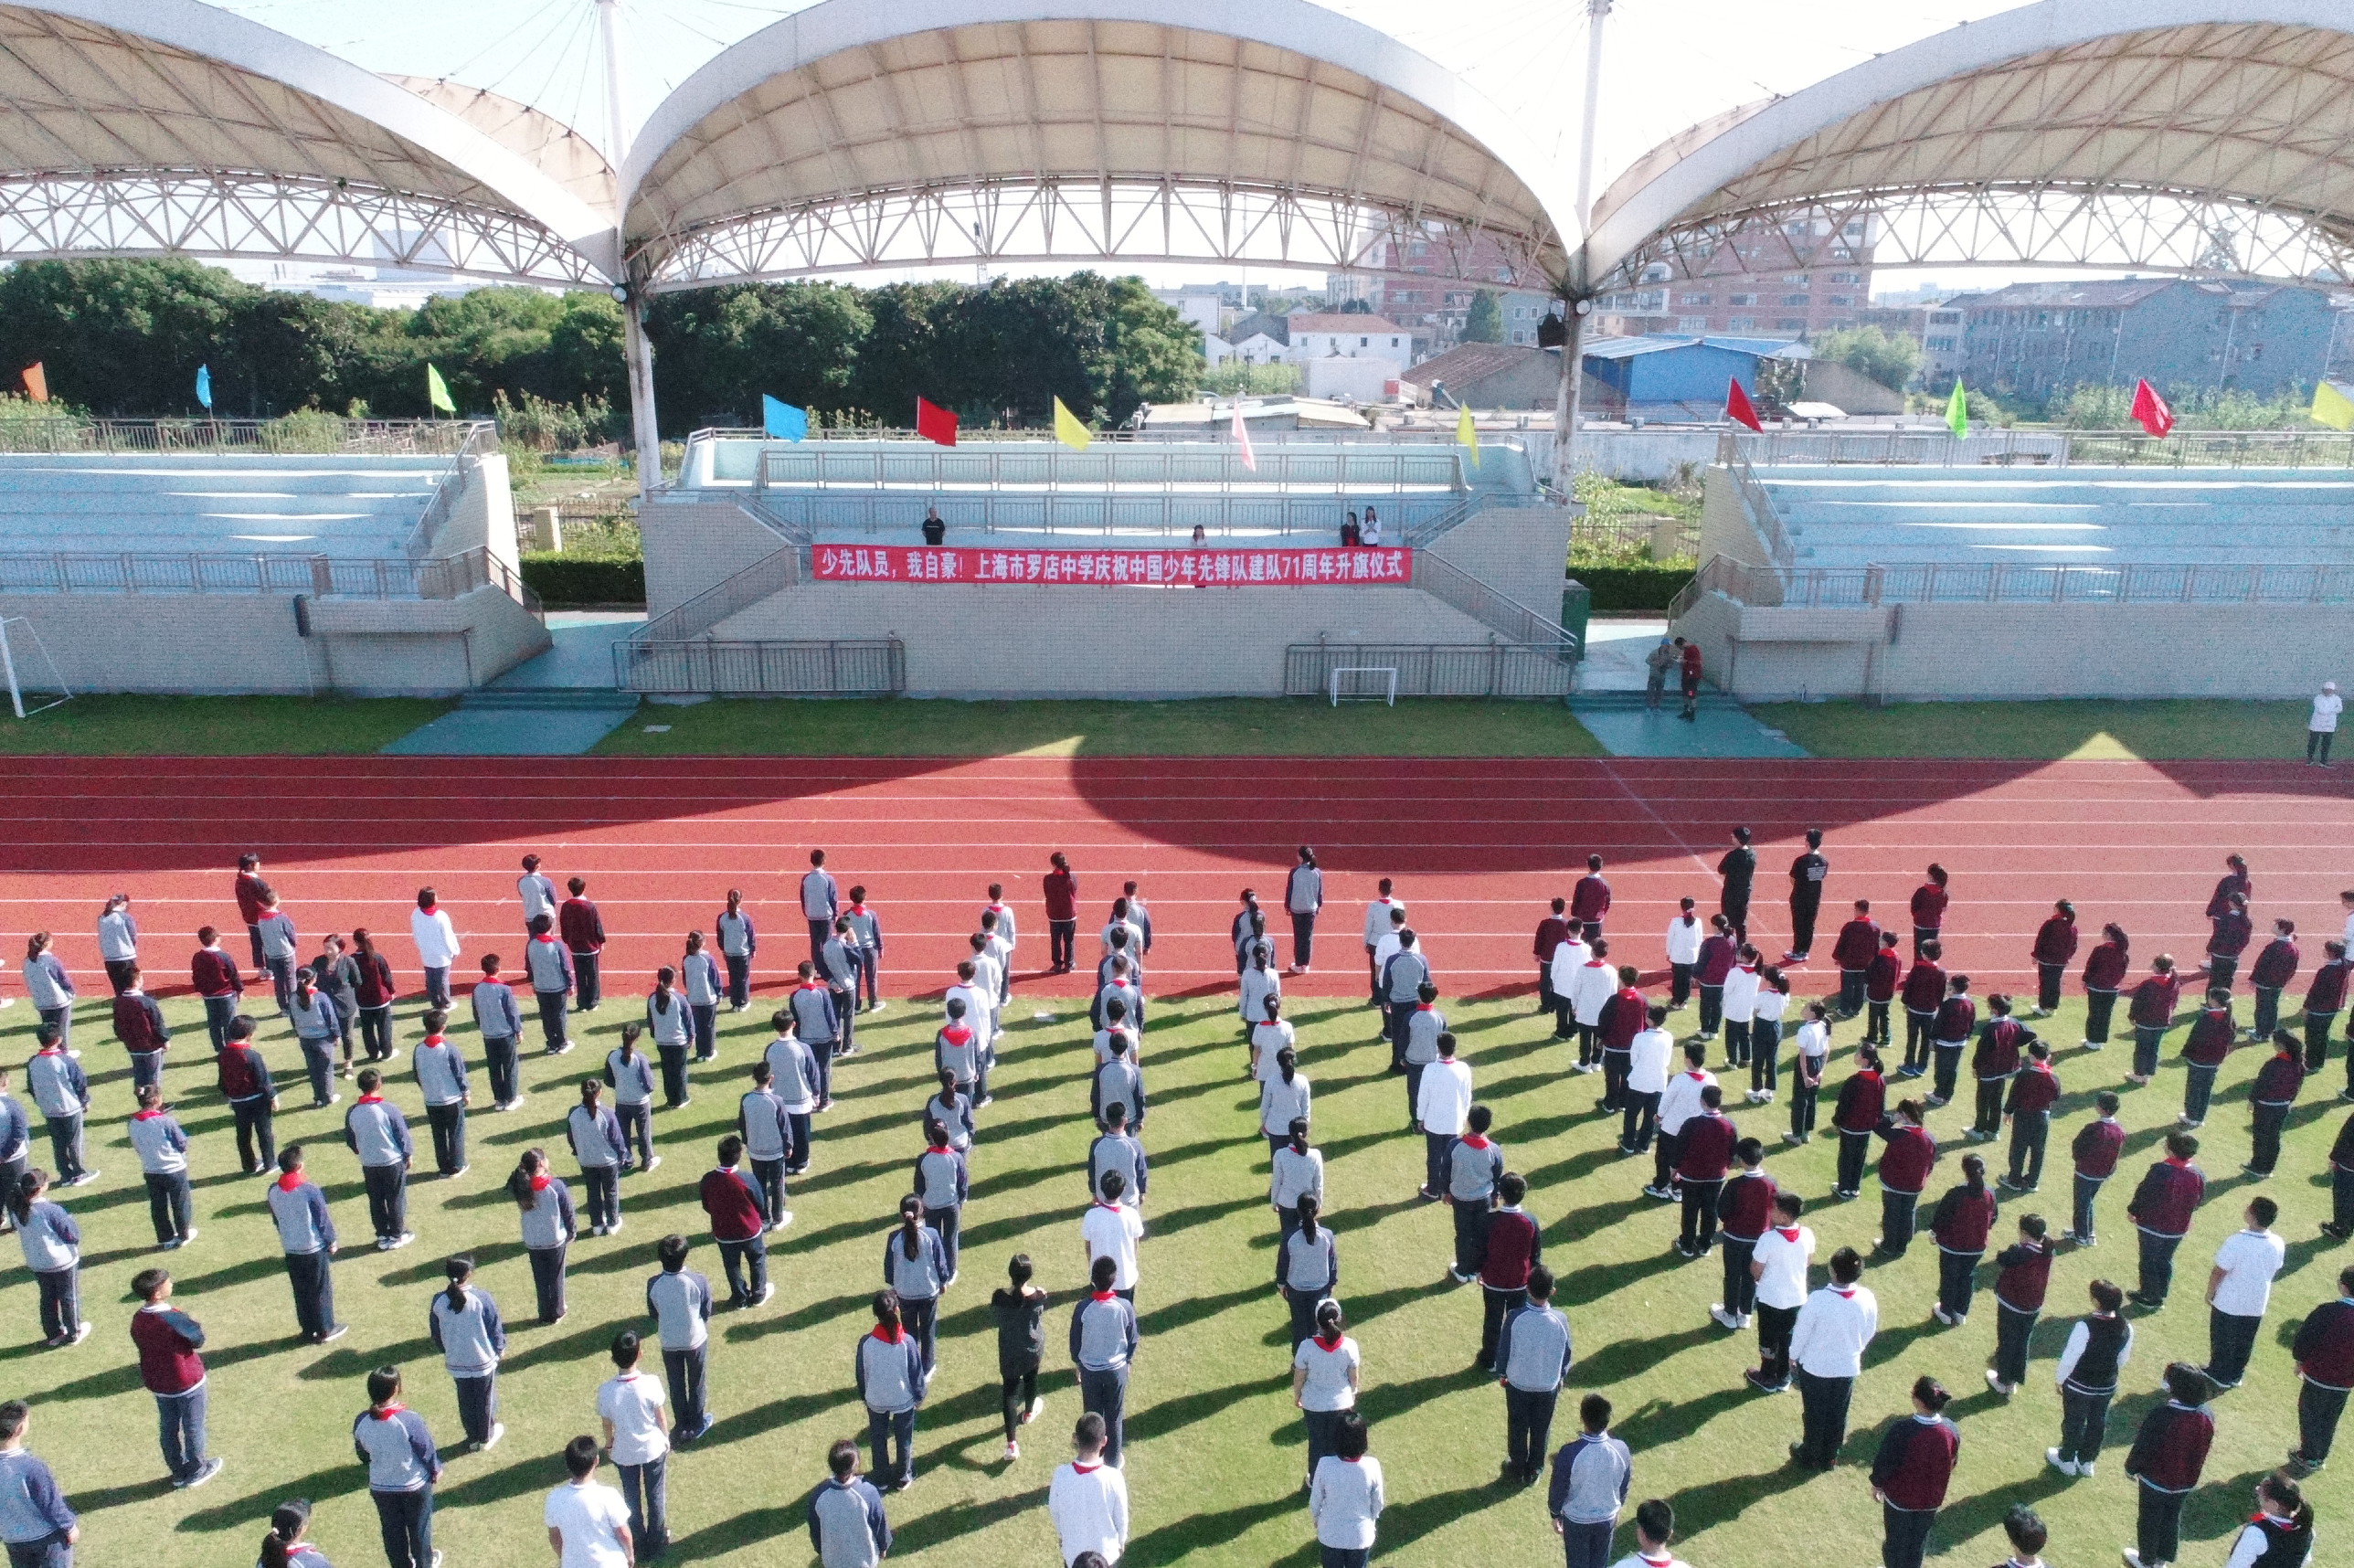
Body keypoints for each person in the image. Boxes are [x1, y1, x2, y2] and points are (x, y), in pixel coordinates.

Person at [127, 1267, 220, 1489]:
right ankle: (197, 1470)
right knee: (193, 1426)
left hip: (158, 1382)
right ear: (157, 1293)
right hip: (186, 1381)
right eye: (167, 1282)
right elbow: (198, 1339)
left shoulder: (138, 1318)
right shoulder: (172, 1317)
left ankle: (177, 1472)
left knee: (168, 1428)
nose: (171, 1284)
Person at [1789, 1245, 1877, 1470]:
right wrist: (1855, 1350)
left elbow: (1801, 1333)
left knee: (1815, 1413)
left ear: (1833, 1271)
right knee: (1838, 1413)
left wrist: (1793, 1356)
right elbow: (1869, 1331)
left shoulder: (1818, 1299)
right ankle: (1830, 1456)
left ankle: (1810, 1454)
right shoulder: (1867, 1298)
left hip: (1816, 1369)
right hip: (1847, 1367)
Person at [2122, 1362, 2215, 1568]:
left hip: (2155, 1480)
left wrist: (2130, 1468)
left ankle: (2146, 1561)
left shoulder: (2162, 1414)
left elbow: (2143, 1446)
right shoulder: (2207, 1415)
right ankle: (2162, 1559)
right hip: (2186, 1481)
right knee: (2171, 1519)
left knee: (2149, 1520)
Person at [352, 1365, 439, 1568]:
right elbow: (425, 1449)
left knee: (392, 1532)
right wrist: (435, 1468)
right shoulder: (409, 1419)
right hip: (414, 1485)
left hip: (381, 1487)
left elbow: (363, 1454)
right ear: (396, 1389)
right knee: (419, 1530)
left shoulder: (361, 1421)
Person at [1870, 1375, 1959, 1568]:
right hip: (1931, 1501)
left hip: (1900, 1500)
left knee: (1895, 1544)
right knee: (1917, 1543)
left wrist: (1877, 1484)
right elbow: (1952, 1462)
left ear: (1918, 1400)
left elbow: (1886, 1462)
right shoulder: (1951, 1429)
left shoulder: (1902, 1430)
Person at [2048, 1278, 2133, 1477]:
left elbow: (2071, 1357)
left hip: (2079, 1385)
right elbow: (2123, 1359)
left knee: (2074, 1423)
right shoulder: (2126, 1327)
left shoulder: (2085, 1326)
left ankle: (2066, 1459)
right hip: (2106, 1386)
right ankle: (2087, 1461)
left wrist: (2060, 1379)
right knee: (2097, 1423)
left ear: (2096, 1301)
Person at [1495, 1265, 1572, 1486]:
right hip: (1547, 1386)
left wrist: (1502, 1373)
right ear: (1552, 1291)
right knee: (1541, 1427)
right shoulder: (1560, 1320)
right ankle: (1535, 1468)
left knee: (1517, 1425)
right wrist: (1561, 1375)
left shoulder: (1515, 1317)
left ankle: (1516, 1464)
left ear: (1527, 1289)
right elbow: (1566, 1353)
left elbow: (1504, 1349)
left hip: (1518, 1384)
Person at [596, 1331, 667, 1556]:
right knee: (655, 1496)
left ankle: (637, 1541)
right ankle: (657, 1541)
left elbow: (607, 1424)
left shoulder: (606, 1391)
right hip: (653, 1449)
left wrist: (609, 1444)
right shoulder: (651, 1383)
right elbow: (660, 1417)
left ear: (613, 1358)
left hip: (624, 1453)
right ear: (639, 1355)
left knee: (631, 1499)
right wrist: (665, 1438)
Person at [2205, 1196, 2286, 1389]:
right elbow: (2275, 1268)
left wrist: (2210, 1292)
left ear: (2252, 1215)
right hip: (2256, 1302)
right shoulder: (2277, 1242)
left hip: (2229, 1301)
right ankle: (2236, 1374)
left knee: (2222, 1339)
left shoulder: (2237, 1241)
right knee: (2245, 1340)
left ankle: (2219, 1375)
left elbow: (2219, 1271)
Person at [426, 1256, 504, 1453]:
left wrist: (447, 1350)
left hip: (456, 1360)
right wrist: (500, 1347)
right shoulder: (482, 1298)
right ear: (468, 1274)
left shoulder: (438, 1301)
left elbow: (436, 1333)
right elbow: (494, 1327)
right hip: (482, 1360)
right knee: (485, 1399)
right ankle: (485, 1436)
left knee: (466, 1400)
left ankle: (472, 1437)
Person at [267, 1147, 344, 1344]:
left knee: (301, 1291)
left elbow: (276, 1219)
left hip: (291, 1248)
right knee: (320, 1289)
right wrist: (331, 1240)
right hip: (313, 1247)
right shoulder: (309, 1190)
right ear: (300, 1166)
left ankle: (308, 1330)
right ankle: (326, 1328)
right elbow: (322, 1220)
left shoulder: (273, 1191)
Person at [1070, 1255, 1139, 1467]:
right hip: (1116, 1371)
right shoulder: (1125, 1306)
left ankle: (1092, 1459)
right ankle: (1113, 1462)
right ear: (1114, 1280)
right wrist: (1128, 1361)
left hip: (1090, 1371)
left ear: (1092, 1279)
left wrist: (1078, 1363)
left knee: (1092, 1418)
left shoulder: (1082, 1308)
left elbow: (1075, 1340)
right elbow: (1133, 1338)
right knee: (1114, 1417)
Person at [2126, 1130, 2206, 1309]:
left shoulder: (2160, 1170)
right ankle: (2161, 1292)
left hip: (2152, 1225)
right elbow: (2199, 1199)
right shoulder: (2197, 1173)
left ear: (2171, 1150)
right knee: (2165, 1259)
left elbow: (2144, 1193)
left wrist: (2133, 1211)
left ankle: (2149, 1296)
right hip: (2178, 1228)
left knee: (2148, 1260)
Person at [645, 1234, 713, 1442]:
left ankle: (682, 1425)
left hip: (669, 1341)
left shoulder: (653, 1283)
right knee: (696, 1382)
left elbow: (653, 1312)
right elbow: (706, 1310)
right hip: (695, 1340)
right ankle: (697, 1424)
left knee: (675, 1384)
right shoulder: (698, 1280)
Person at [2289, 1263, 2354, 1475]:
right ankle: (2319, 1455)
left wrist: (2299, 1361)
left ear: (2343, 1286)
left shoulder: (2327, 1311)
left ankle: (2309, 1456)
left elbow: (2305, 1338)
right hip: (2344, 1383)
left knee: (2309, 1415)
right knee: (2329, 1419)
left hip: (2318, 1376)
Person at [855, 1291, 925, 1491]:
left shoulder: (866, 1343)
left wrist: (865, 1395)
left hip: (875, 1399)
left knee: (878, 1439)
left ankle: (881, 1479)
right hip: (903, 1400)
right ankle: (903, 1476)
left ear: (875, 1313)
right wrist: (919, 1396)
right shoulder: (907, 1342)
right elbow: (916, 1373)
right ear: (896, 1310)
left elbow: (861, 1373)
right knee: (904, 1439)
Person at [1745, 1192, 1813, 1392]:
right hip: (1797, 1297)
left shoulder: (1768, 1239)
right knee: (1787, 1338)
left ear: (1784, 1216)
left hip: (1771, 1298)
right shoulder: (1807, 1234)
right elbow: (1808, 1261)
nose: (1770, 1211)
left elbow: (1755, 1269)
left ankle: (1767, 1376)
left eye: (1774, 1208)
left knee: (1768, 1338)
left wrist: (1763, 1279)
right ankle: (1784, 1376)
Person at [1476, 1173, 1542, 1371]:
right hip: (1520, 1282)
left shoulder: (1489, 1220)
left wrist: (1478, 1270)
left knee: (1492, 1321)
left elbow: (1480, 1250)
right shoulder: (1530, 1220)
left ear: (1501, 1194)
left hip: (1493, 1281)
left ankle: (1489, 1359)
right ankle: (1512, 1359)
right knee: (1516, 1322)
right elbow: (1535, 1254)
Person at [344, 1069, 413, 1252]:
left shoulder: (352, 1111)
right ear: (379, 1085)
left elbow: (350, 1138)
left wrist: (360, 1151)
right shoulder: (388, 1109)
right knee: (395, 1198)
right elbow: (402, 1135)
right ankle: (397, 1235)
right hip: (392, 1161)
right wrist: (408, 1154)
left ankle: (382, 1235)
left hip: (369, 1163)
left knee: (376, 1200)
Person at [700, 1136, 773, 1309]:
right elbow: (761, 1203)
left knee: (732, 1265)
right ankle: (758, 1294)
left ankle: (740, 1298)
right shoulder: (747, 1178)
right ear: (739, 1155)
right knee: (757, 1260)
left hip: (724, 1233)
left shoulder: (708, 1179)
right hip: (749, 1231)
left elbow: (707, 1205)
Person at [0, 1401, 76, 1567]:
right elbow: (50, 1503)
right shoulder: (31, 1467)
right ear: (20, 1428)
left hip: (13, 1540)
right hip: (48, 1539)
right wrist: (69, 1526)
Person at [1986, 1214, 2054, 1395]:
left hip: (2012, 1304)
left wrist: (2013, 1248)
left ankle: (2003, 1381)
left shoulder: (2021, 1252)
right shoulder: (2047, 1250)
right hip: (2033, 1306)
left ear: (2025, 1233)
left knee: (2007, 1342)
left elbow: (2002, 1258)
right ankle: (2013, 1380)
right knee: (2022, 1343)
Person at [1049, 1413, 1129, 1566]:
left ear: (1075, 1438)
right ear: (1104, 1441)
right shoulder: (1114, 1477)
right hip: (1106, 1557)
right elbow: (1121, 1515)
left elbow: (1055, 1510)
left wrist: (1061, 1535)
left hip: (1073, 1556)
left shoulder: (1060, 1475)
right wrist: (1121, 1540)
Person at [1294, 1298, 1360, 1483]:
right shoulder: (1350, 1346)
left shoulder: (1306, 1347)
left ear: (1317, 1321)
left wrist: (1297, 1396)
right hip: (1342, 1403)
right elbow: (1353, 1377)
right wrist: (1352, 1393)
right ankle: (1335, 1482)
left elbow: (1299, 1377)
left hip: (1313, 1404)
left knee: (1316, 1444)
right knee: (1337, 1445)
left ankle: (1315, 1481)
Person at [1711, 1137, 1775, 1327]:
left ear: (1741, 1160)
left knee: (1732, 1274)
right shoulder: (1771, 1184)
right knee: (1751, 1276)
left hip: (1734, 1238)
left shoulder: (1734, 1184)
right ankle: (1745, 1313)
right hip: (1759, 1239)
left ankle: (1730, 1313)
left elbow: (1722, 1211)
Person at [991, 1254, 1049, 1461]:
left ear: (1010, 1273)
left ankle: (1011, 1444)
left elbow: (995, 1316)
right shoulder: (1038, 1296)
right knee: (1031, 1379)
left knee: (1010, 1391)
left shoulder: (999, 1297)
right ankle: (1028, 1412)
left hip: (1009, 1351)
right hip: (1032, 1349)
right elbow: (1039, 1309)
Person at [1929, 1153, 1998, 1327]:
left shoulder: (1957, 1193)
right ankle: (1960, 1312)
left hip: (1952, 1245)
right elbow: (1994, 1217)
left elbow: (1942, 1217)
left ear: (1964, 1170)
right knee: (1967, 1277)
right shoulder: (1990, 1193)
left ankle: (1946, 1311)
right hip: (1976, 1247)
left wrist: (1934, 1232)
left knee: (1949, 1278)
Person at [546, 1433, 634, 1568]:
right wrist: (630, 1555)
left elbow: (555, 1537)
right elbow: (623, 1534)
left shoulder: (554, 1498)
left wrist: (565, 1558)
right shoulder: (608, 1495)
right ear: (596, 1461)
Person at [1309, 1413, 1383, 1568]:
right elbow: (1378, 1503)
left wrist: (1317, 1518)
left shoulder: (1324, 1464)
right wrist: (1371, 1520)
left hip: (1330, 1534)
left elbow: (1316, 1500)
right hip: (1360, 1536)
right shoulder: (1372, 1466)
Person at [509, 1149, 575, 1324]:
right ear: (541, 1163)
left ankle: (544, 1313)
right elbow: (568, 1211)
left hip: (532, 1240)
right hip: (554, 1240)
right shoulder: (556, 1186)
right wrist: (572, 1231)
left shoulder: (520, 1186)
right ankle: (558, 1311)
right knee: (556, 1277)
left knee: (541, 1278)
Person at [126, 1083, 194, 1249]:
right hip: (174, 1169)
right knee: (180, 1203)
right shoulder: (165, 1121)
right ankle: (183, 1234)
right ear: (156, 1099)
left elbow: (137, 1146)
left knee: (158, 1206)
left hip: (151, 1169)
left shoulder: (132, 1122)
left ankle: (165, 1238)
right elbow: (182, 1143)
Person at [807, 1436, 891, 1567]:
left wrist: (821, 1550)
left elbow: (815, 1529)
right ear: (855, 1465)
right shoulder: (868, 1493)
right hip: (864, 1561)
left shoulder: (818, 1495)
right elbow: (879, 1525)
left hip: (833, 1562)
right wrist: (883, 1546)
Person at [1649, 1042, 1715, 1202]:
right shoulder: (1711, 1079)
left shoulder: (1680, 1080)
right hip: (1695, 1130)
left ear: (1688, 1059)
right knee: (1685, 1159)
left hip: (1672, 1128)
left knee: (1663, 1158)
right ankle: (1678, 1189)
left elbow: (1666, 1100)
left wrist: (1659, 1115)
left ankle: (1661, 1186)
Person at [1674, 1087, 1736, 1258]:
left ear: (1702, 1101)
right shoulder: (1729, 1125)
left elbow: (1679, 1149)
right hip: (1716, 1177)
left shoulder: (1692, 1123)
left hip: (1691, 1177)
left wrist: (1674, 1169)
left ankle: (1686, 1244)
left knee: (1690, 1211)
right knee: (1710, 1211)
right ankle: (1704, 1244)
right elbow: (1733, 1151)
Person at [1873, 1098, 1936, 1258]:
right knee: (1908, 1213)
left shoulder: (1899, 1135)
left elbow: (1878, 1127)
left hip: (1894, 1183)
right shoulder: (1929, 1138)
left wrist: (1892, 1119)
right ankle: (1902, 1246)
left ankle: (1889, 1245)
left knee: (1891, 1214)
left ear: (1904, 1115)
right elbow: (1930, 1163)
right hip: (1915, 1184)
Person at [1446, 1106, 1502, 1283]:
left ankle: (1462, 1271)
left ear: (1469, 1122)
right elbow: (1497, 1175)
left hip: (1461, 1198)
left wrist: (1445, 1192)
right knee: (1480, 1234)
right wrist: (1495, 1196)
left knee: (1463, 1234)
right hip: (1483, 1199)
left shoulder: (1455, 1146)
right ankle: (1476, 1269)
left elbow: (1445, 1170)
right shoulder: (1494, 1150)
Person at [1415, 1033, 1473, 1200]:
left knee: (1434, 1158)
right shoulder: (1463, 1068)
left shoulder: (1430, 1069)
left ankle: (1433, 1190)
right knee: (1450, 1157)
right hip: (1454, 1122)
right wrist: (1465, 1115)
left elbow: (1423, 1096)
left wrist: (1420, 1118)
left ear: (1438, 1048)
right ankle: (1447, 1189)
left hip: (1433, 1122)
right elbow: (1467, 1096)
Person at [410, 1013, 468, 1180]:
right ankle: (457, 1165)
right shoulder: (449, 1048)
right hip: (452, 1098)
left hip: (431, 1100)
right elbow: (459, 1073)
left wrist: (426, 1089)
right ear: (443, 1027)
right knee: (455, 1132)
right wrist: (465, 1092)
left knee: (438, 1135)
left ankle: (443, 1168)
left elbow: (416, 1074)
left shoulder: (418, 1049)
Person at [1278, 1194, 1338, 1352]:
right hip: (1320, 1289)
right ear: (1317, 1210)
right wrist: (1332, 1282)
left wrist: (1281, 1283)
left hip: (1296, 1289)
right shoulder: (1327, 1235)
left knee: (1299, 1329)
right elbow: (1332, 1262)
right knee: (1317, 1330)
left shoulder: (1289, 1236)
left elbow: (1283, 1261)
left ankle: (1298, 1363)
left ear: (1298, 1210)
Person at [567, 1080, 625, 1237]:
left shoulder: (573, 1113)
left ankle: (597, 1225)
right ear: (599, 1092)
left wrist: (578, 1151)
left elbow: (571, 1137)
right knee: (611, 1191)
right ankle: (613, 1222)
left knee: (592, 1192)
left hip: (586, 1160)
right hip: (608, 1161)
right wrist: (622, 1155)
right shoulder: (607, 1113)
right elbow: (616, 1139)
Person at [2001, 1041, 2061, 1191]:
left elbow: (2014, 1095)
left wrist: (2008, 1111)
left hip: (2023, 1115)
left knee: (2018, 1149)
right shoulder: (2053, 1077)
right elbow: (2056, 1096)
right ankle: (2033, 1182)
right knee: (2038, 1151)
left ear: (2031, 1056)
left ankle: (2014, 1180)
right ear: (2048, 1056)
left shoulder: (2024, 1075)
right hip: (2042, 1117)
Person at [912, 1123, 968, 1281]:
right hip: (951, 1205)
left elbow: (919, 1185)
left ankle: (936, 1270)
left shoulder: (923, 1159)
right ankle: (950, 1272)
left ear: (932, 1139)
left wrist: (922, 1202)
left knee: (933, 1240)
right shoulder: (956, 1157)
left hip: (930, 1206)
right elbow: (963, 1182)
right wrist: (962, 1200)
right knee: (950, 1240)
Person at [2222, 1473, 2317, 1568]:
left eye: (2261, 1491)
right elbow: (2304, 1561)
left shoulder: (2255, 1533)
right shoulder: (2308, 1531)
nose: (2257, 1490)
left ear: (2274, 1505)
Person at [2069, 1090, 2126, 1245]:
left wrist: (2078, 1160)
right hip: (2103, 1173)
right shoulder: (2119, 1130)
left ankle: (2082, 1236)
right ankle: (2089, 1233)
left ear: (2101, 1107)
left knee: (2082, 1204)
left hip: (2086, 1172)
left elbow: (2078, 1146)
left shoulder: (2094, 1128)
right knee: (2088, 1201)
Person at [469, 956, 524, 1113]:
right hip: (505, 1034)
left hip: (488, 1034)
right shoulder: (504, 989)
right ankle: (511, 1098)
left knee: (494, 1067)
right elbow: (511, 1013)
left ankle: (499, 1100)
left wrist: (483, 1026)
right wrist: (518, 1030)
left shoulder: (477, 989)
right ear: (498, 969)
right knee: (509, 1066)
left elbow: (476, 1011)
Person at [1829, 1046, 1886, 1199]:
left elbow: (1843, 1105)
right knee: (1859, 1158)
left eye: (1858, 1054)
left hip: (1850, 1126)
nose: (1855, 1055)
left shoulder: (1855, 1081)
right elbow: (1881, 1107)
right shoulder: (1880, 1080)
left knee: (1846, 1158)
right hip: (1866, 1127)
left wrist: (1836, 1122)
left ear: (1865, 1060)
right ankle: (1854, 1188)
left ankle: (1844, 1188)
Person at [1967, 993, 2023, 1140]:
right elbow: (2029, 1034)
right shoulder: (2013, 1023)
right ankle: (1993, 1130)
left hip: (1988, 1071)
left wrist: (1975, 1066)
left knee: (1982, 1101)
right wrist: (2013, 1046)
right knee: (1996, 1100)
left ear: (1995, 1010)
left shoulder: (1990, 1028)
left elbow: (1981, 1051)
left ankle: (1979, 1130)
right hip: (2003, 1070)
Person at [2248, 1032, 2306, 1177]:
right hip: (2282, 1106)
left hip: (2265, 1106)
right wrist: (2289, 1101)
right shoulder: (2298, 1064)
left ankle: (2258, 1166)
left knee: (2261, 1137)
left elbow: (2261, 1084)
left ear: (2281, 1046)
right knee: (2273, 1137)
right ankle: (2268, 1167)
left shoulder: (2274, 1064)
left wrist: (2252, 1100)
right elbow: (2297, 1086)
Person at [1083, 1172, 1146, 1302]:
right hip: (1125, 1278)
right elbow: (1135, 1244)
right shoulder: (1132, 1214)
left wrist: (1092, 1265)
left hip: (1099, 1278)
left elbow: (1088, 1247)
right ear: (1123, 1189)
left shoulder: (1091, 1215)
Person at [604, 1024, 657, 1176]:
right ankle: (647, 1160)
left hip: (621, 1101)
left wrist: (621, 1086)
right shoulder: (640, 1058)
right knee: (644, 1133)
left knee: (622, 1133)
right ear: (637, 1038)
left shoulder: (612, 1055)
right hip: (640, 1102)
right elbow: (649, 1085)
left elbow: (608, 1080)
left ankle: (625, 1161)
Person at [284, 968, 340, 1109]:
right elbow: (331, 1018)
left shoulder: (293, 998)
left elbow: (293, 1018)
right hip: (323, 1038)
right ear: (314, 979)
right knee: (326, 1069)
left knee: (313, 1069)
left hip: (305, 1038)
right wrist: (336, 1035)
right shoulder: (321, 997)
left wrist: (298, 1031)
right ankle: (328, 1097)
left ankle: (318, 1098)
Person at [110, 967, 170, 1097]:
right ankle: (154, 1103)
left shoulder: (118, 1002)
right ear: (136, 981)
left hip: (132, 1046)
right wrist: (164, 1040)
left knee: (139, 1074)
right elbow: (157, 1024)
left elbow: (117, 1026)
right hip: (151, 1046)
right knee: (154, 1078)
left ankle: (141, 1097)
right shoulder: (147, 1002)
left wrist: (125, 1039)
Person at [1624, 1004, 1674, 1155]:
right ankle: (1644, 1145)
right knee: (1650, 1116)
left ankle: (1628, 1144)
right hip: (1658, 1082)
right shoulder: (1668, 1037)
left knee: (1631, 1115)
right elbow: (1666, 1061)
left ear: (1650, 1020)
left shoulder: (1640, 1038)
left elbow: (1633, 1061)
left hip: (1639, 1082)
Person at [2126, 955, 2183, 1086]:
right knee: (2154, 1048)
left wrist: (2132, 1016)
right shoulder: (2173, 983)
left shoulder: (2149, 984)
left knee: (2142, 1049)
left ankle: (2139, 1075)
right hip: (2162, 1022)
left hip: (2145, 1022)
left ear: (2157, 967)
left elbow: (2137, 1002)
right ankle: (2147, 1074)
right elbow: (2174, 1002)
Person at [525, 916, 578, 1058]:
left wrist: (533, 982)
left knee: (546, 1016)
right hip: (557, 986)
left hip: (540, 987)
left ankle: (552, 1043)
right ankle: (562, 1043)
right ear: (550, 927)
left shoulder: (531, 944)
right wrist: (570, 984)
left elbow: (529, 966)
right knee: (559, 1015)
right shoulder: (556, 945)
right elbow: (565, 967)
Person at [19, 935, 75, 1061]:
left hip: (41, 1001)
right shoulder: (51, 961)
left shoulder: (27, 962)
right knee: (62, 1027)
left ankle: (50, 1050)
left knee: (48, 1027)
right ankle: (64, 1052)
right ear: (46, 944)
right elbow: (63, 978)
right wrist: (71, 991)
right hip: (58, 1000)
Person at [1272, 1118, 1324, 1249]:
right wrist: (1318, 1203)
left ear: (1290, 1133)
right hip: (1308, 1204)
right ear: (1306, 1133)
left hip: (1286, 1203)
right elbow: (1318, 1184)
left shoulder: (1280, 1155)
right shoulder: (1315, 1155)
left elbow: (1277, 1181)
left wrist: (1274, 1202)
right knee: (1308, 1237)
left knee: (1288, 1238)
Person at [645, 969, 693, 1109]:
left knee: (667, 1071)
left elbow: (650, 1020)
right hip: (678, 1041)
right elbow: (688, 1020)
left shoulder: (652, 998)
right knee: (679, 1071)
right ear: (672, 980)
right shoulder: (679, 998)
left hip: (662, 1041)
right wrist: (691, 1036)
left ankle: (671, 1100)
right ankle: (680, 1099)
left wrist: (654, 1034)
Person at [190, 925, 242, 1051]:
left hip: (208, 995)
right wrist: (239, 989)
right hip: (226, 995)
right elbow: (233, 974)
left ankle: (219, 1049)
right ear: (216, 939)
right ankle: (230, 1049)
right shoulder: (223, 956)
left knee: (214, 1024)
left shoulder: (198, 956)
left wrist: (200, 989)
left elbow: (196, 975)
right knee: (229, 1022)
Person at [1898, 941, 1946, 1078]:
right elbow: (1941, 993)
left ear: (1925, 954)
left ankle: (1909, 1064)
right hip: (1930, 1011)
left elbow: (1909, 987)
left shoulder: (1918, 969)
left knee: (1912, 1038)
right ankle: (1922, 1066)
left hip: (1914, 1010)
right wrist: (1937, 1005)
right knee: (1926, 1039)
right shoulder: (1940, 972)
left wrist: (1905, 1002)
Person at [559, 877, 607, 1013]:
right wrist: (601, 941)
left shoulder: (566, 906)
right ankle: (593, 1002)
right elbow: (596, 925)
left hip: (575, 947)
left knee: (580, 976)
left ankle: (582, 1003)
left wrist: (568, 940)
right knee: (592, 976)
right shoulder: (589, 906)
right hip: (590, 947)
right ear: (583, 888)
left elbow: (564, 924)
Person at [351, 929, 398, 1066]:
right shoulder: (377, 957)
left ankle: (373, 1053)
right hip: (380, 1000)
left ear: (355, 942)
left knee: (367, 1029)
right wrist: (391, 991)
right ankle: (386, 1053)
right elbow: (386, 976)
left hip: (363, 1001)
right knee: (384, 1027)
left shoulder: (352, 960)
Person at [408, 889, 459, 1012]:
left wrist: (421, 947)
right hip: (442, 954)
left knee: (430, 979)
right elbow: (448, 936)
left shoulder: (415, 914)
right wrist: (455, 950)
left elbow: (415, 934)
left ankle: (435, 1003)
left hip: (426, 952)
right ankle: (446, 1004)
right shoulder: (441, 916)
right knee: (442, 980)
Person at [2251, 918, 2301, 1041]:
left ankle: (2261, 1033)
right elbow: (2293, 968)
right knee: (2272, 1007)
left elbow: (2262, 964)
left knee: (2262, 1008)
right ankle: (2269, 1031)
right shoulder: (2293, 948)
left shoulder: (2274, 947)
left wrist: (2255, 979)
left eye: (2276, 925)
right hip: (2278, 983)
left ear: (2282, 929)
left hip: (2265, 982)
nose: (2273, 926)